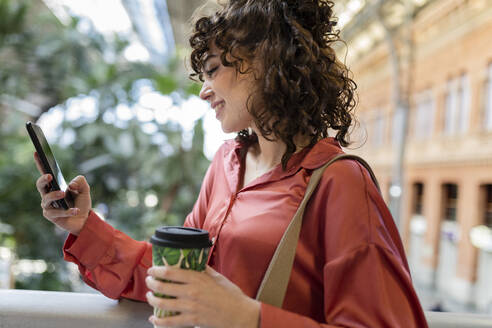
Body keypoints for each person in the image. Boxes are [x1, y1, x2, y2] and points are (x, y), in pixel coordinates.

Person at [34, 0, 429, 327]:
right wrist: (85, 227)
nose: (203, 91)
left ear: (266, 61)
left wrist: (248, 317)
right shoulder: (226, 164)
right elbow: (176, 276)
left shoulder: (339, 182)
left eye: (213, 70)